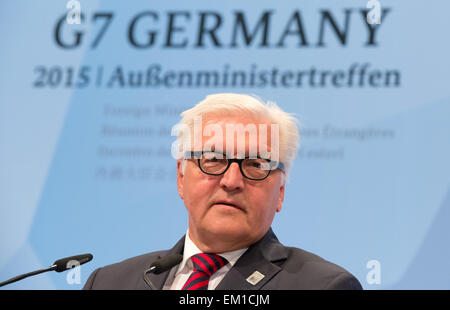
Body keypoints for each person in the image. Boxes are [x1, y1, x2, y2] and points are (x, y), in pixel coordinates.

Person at [83, 93, 362, 290]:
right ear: (181, 176)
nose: (231, 181)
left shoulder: (322, 285)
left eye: (255, 164)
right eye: (214, 159)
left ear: (280, 192)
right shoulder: (108, 282)